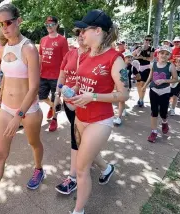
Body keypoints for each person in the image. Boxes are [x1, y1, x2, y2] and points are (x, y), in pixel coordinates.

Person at [0, 4, 44, 213]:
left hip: (28, 110)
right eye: (1, 24)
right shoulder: (2, 48)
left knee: (34, 143)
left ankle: (39, 169)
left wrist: (18, 116)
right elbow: (4, 78)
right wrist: (1, 102)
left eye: (8, 22)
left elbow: (33, 88)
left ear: (18, 21)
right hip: (6, 109)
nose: (4, 27)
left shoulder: (29, 48)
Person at [67, 9, 129, 214]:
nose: (81, 33)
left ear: (98, 30)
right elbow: (80, 83)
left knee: (82, 168)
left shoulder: (115, 58)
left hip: (100, 120)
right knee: (89, 156)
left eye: (84, 29)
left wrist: (92, 97)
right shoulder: (84, 55)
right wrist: (72, 93)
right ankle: (107, 168)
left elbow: (123, 95)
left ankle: (78, 211)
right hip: (80, 116)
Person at [54, 28, 89, 195]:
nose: (81, 36)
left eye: (83, 33)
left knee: (76, 138)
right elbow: (62, 77)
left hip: (86, 104)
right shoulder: (69, 54)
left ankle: (73, 178)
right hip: (68, 102)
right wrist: (57, 95)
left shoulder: (94, 55)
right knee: (80, 138)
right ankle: (105, 167)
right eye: (78, 34)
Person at [141, 46, 177, 143]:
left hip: (165, 91)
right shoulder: (153, 64)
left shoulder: (170, 66)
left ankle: (164, 122)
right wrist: (145, 85)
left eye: (166, 54)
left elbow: (175, 79)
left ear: (169, 56)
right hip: (153, 90)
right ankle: (154, 131)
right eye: (162, 53)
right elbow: (150, 76)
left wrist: (164, 80)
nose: (164, 55)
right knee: (154, 111)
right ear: (158, 54)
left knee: (163, 113)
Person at [39, 16, 68, 132]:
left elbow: (66, 59)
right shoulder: (43, 39)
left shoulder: (62, 40)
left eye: (51, 24)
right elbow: (40, 57)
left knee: (56, 97)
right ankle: (53, 106)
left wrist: (65, 75)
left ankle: (54, 119)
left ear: (56, 25)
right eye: (47, 25)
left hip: (57, 76)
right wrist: (37, 70)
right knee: (41, 96)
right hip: (43, 74)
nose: (49, 27)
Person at [113, 50, 137, 125]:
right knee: (121, 101)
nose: (129, 58)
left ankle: (119, 118)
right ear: (123, 58)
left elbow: (138, 76)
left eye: (131, 57)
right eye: (128, 57)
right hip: (118, 86)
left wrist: (131, 79)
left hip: (126, 87)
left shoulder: (132, 67)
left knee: (121, 100)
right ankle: (123, 110)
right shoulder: (118, 66)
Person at [132, 35, 154, 107]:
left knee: (142, 84)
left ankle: (141, 100)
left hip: (146, 67)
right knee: (138, 84)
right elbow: (132, 55)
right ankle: (140, 98)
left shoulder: (151, 49)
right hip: (137, 67)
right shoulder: (138, 47)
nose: (147, 41)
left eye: (149, 40)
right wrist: (138, 50)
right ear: (143, 40)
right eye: (146, 39)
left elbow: (151, 59)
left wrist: (143, 57)